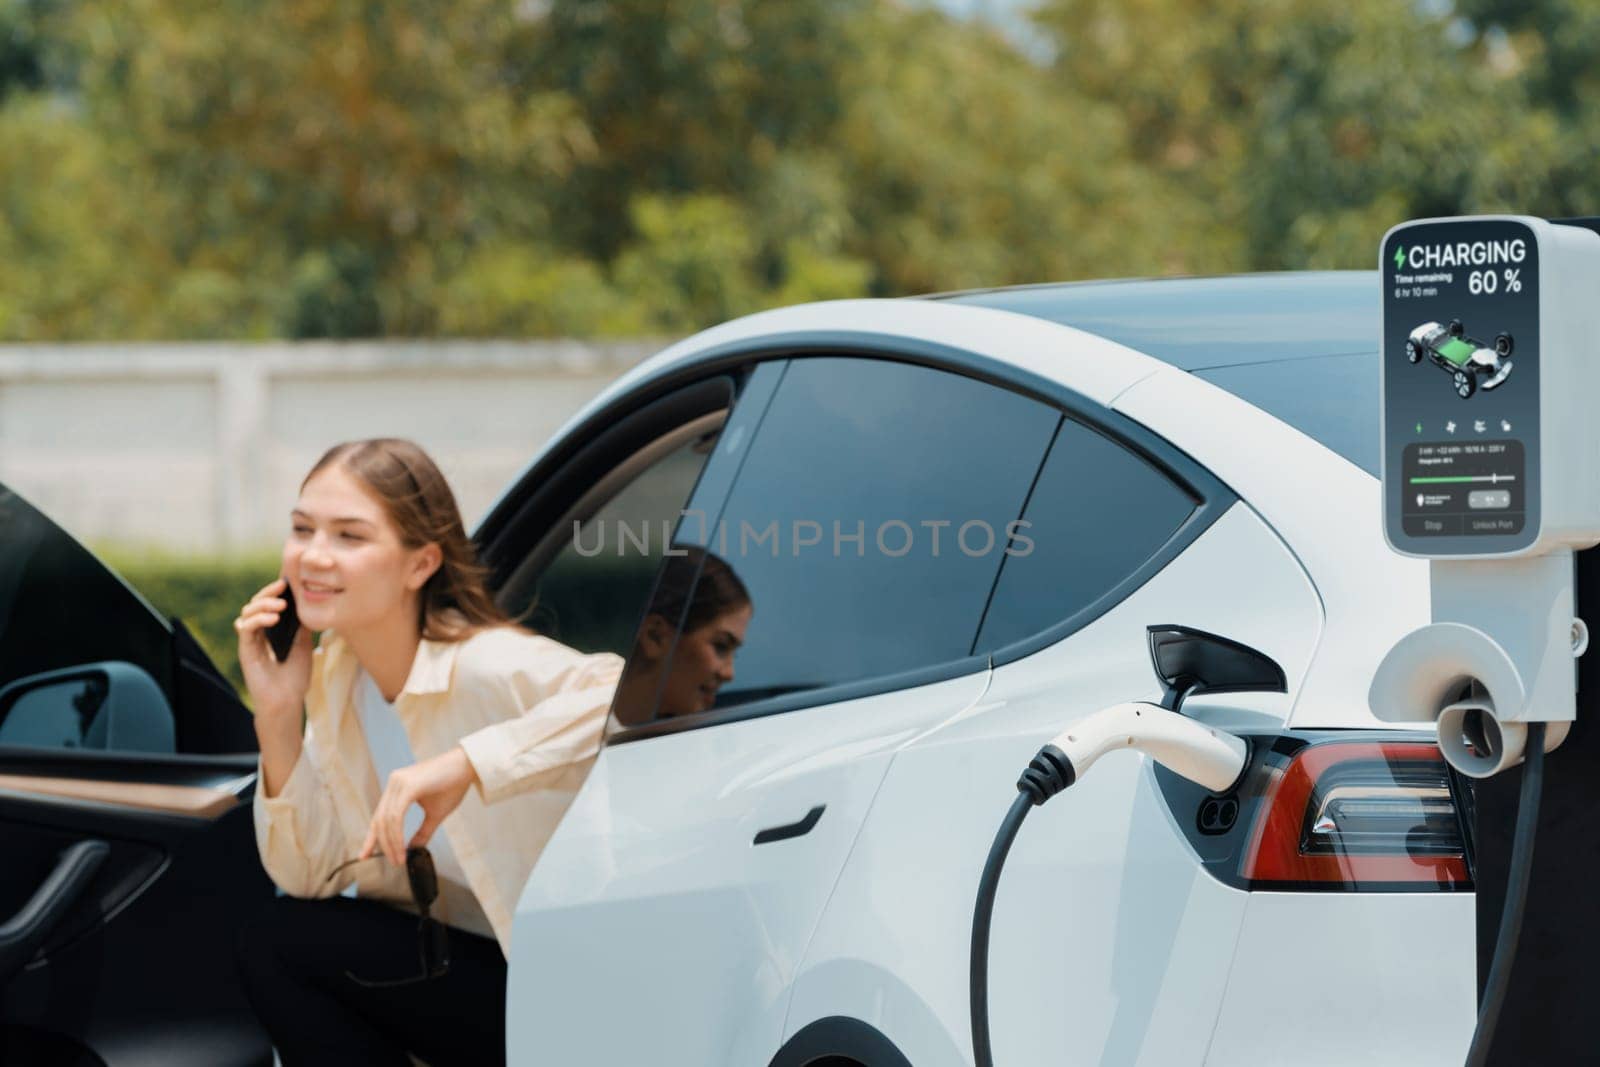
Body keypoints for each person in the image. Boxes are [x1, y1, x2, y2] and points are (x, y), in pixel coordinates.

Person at [231, 438, 623, 1067]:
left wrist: (466, 764)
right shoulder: (337, 680)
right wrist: (278, 713)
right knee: (279, 941)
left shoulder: (485, 663)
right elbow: (305, 879)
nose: (313, 556)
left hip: (566, 991)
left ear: (421, 565)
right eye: (302, 529)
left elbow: (619, 696)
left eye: (349, 537)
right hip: (464, 972)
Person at [611, 547, 752, 724]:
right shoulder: (576, 727)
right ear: (655, 636)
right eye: (721, 646)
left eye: (734, 653)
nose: (729, 673)